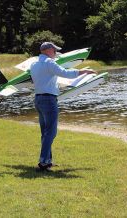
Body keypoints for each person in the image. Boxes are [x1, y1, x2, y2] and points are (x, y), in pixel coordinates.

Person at [30, 42, 96, 171]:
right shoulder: (49, 62)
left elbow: (36, 80)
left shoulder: (34, 63)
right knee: (51, 132)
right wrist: (85, 71)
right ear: (49, 50)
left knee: (45, 132)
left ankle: (47, 161)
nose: (56, 54)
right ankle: (43, 162)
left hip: (38, 99)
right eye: (55, 51)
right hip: (49, 100)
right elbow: (66, 73)